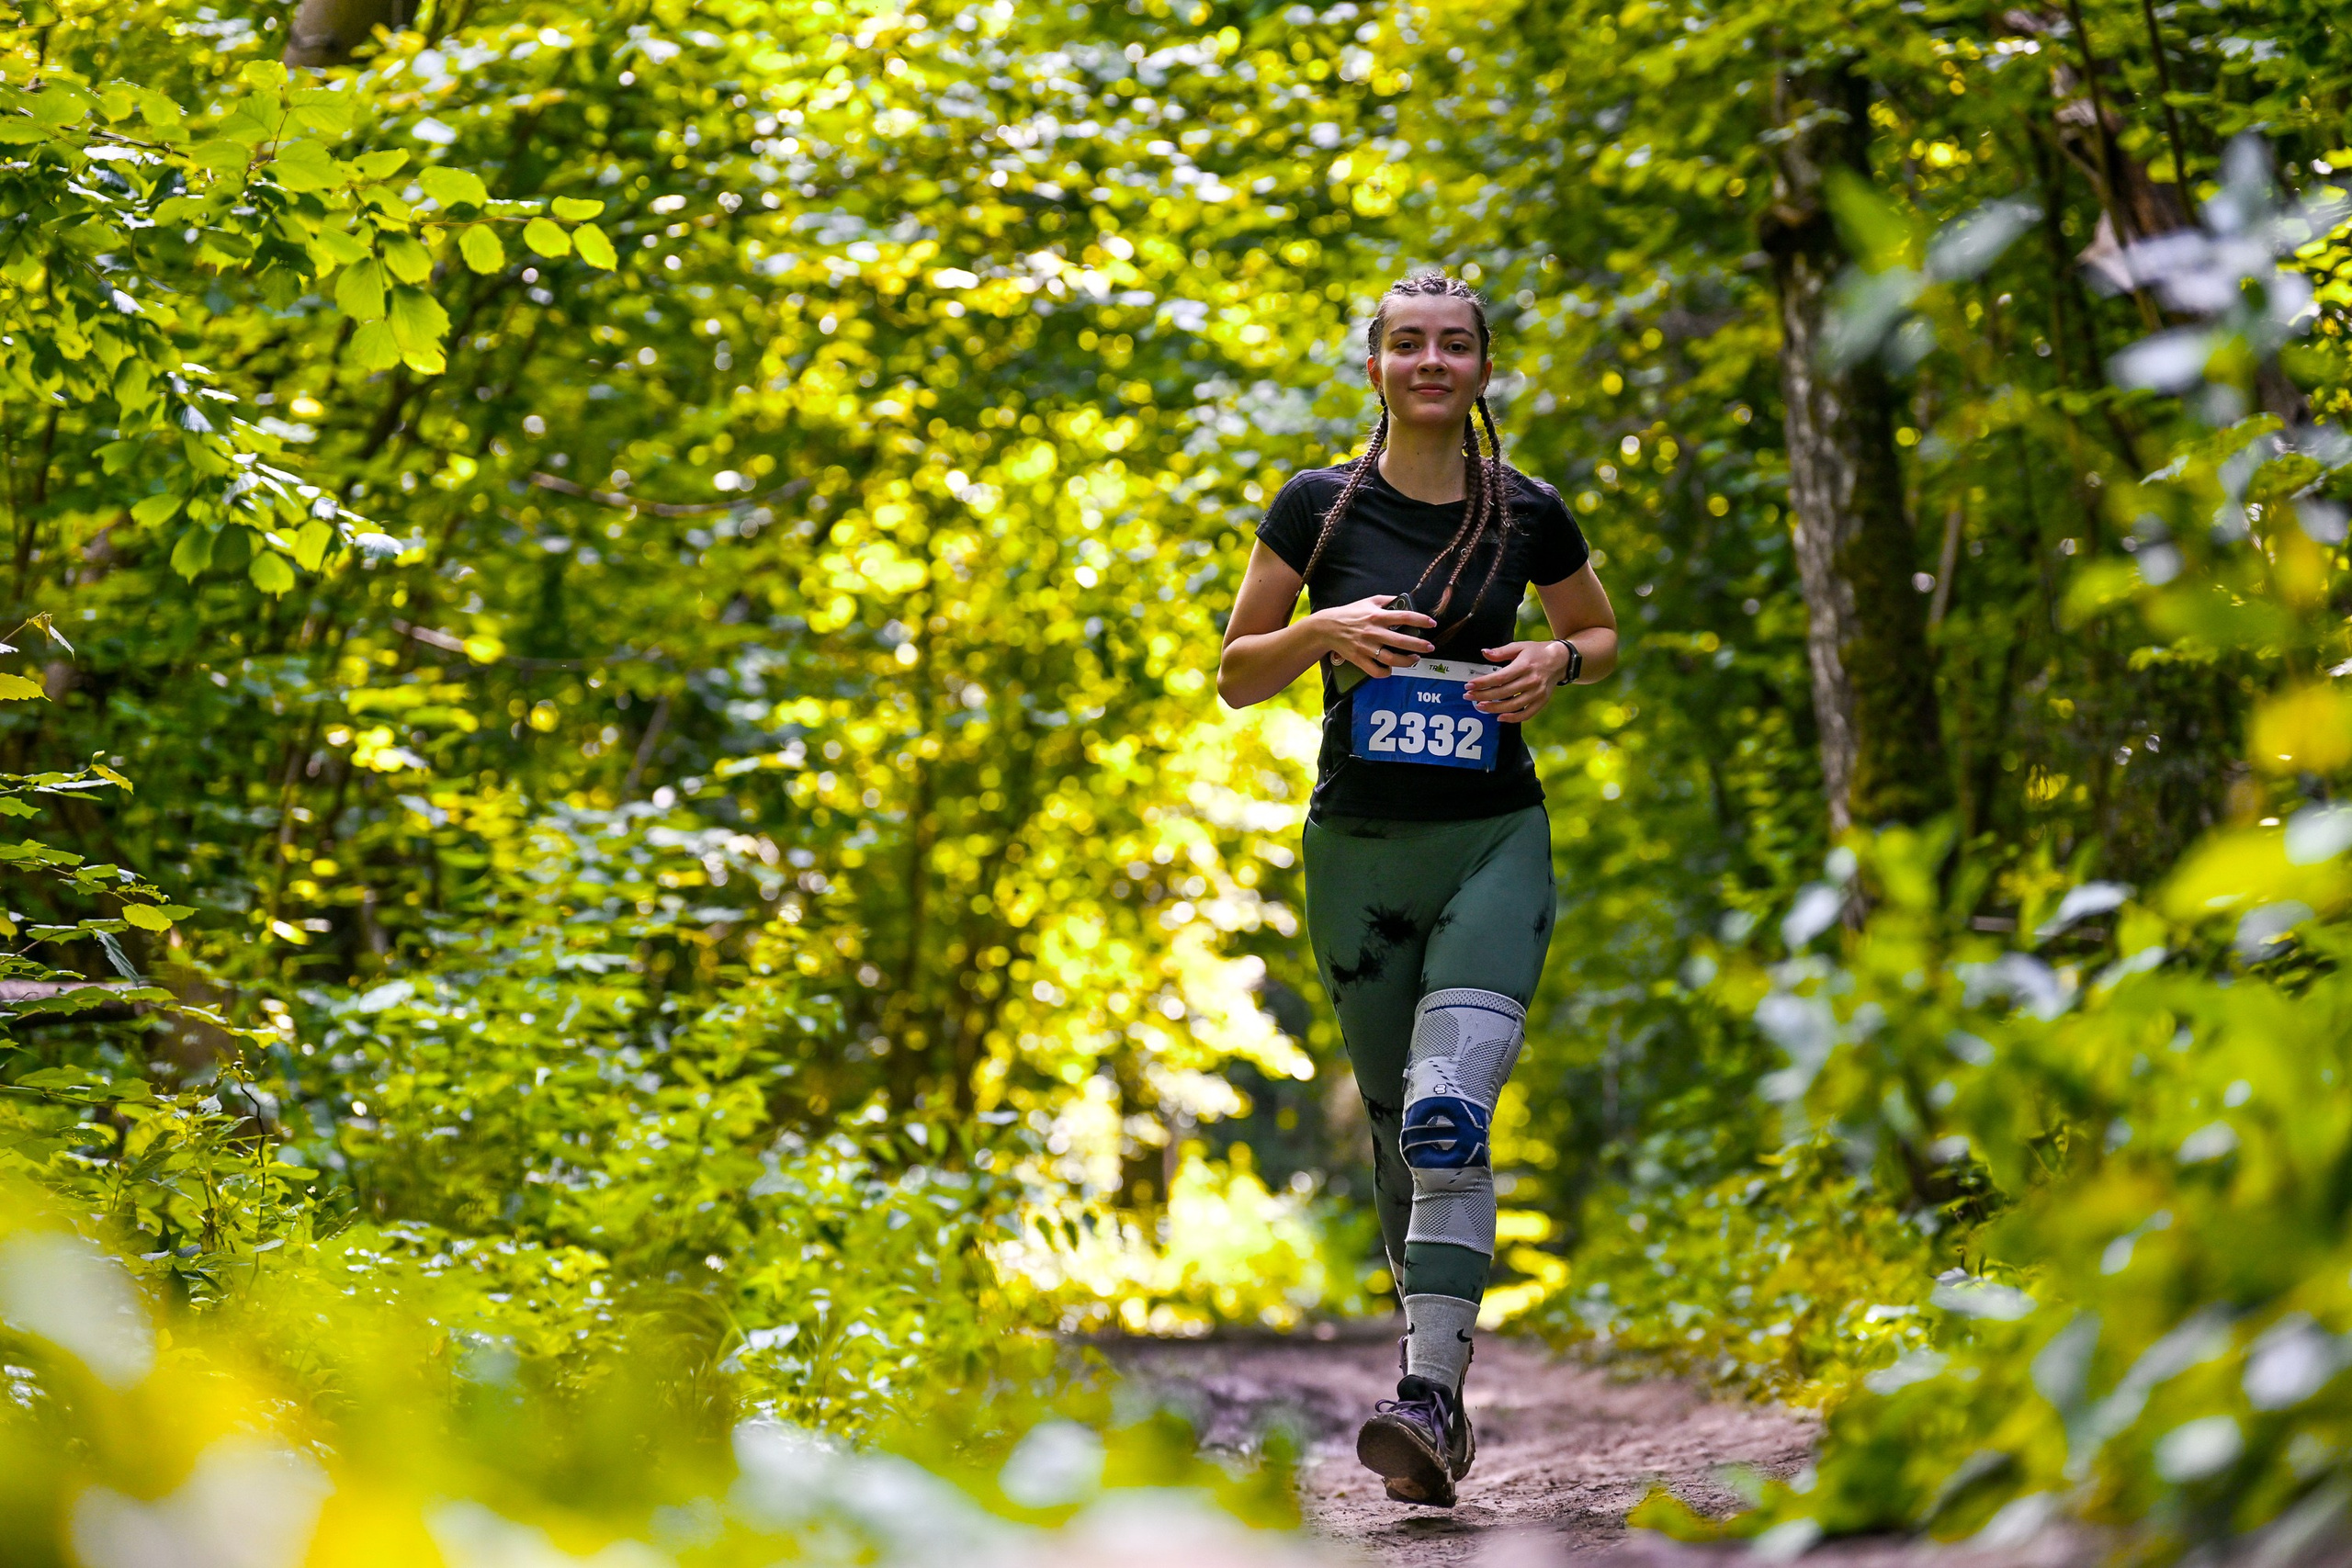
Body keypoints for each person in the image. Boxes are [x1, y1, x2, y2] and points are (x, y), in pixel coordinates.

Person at [1216, 271, 1618, 1508]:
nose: (1431, 362)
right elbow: (1236, 672)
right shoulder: (1317, 507)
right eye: (1407, 344)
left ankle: (1430, 1398)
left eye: (1454, 345)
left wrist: (1558, 657)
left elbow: (1597, 635)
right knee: (1401, 1129)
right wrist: (1320, 635)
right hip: (1359, 855)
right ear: (1377, 366)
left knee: (1451, 1115)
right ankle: (1430, 1394)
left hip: (1494, 841)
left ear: (1483, 370)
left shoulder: (1528, 511)